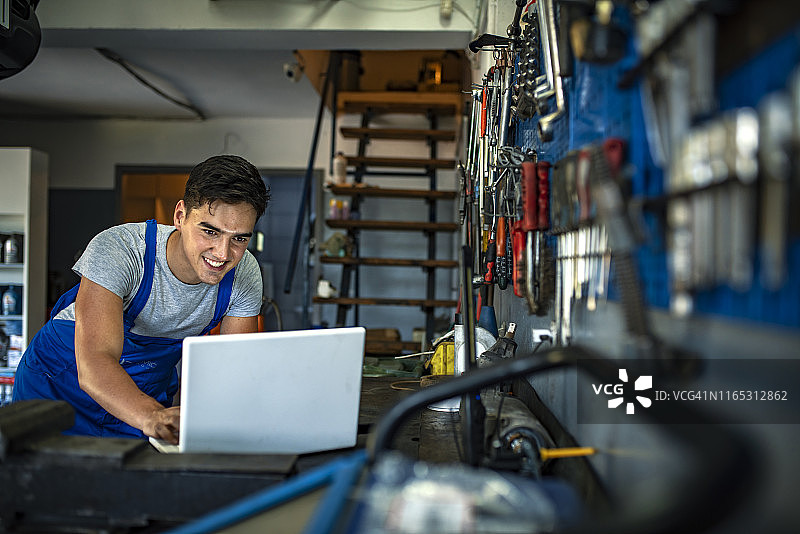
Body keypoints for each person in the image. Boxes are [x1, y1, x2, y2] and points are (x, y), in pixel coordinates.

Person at [12, 155, 270, 444]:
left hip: (144, 394)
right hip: (60, 387)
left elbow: (232, 368)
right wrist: (152, 417)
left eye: (239, 239)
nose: (223, 254)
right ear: (180, 216)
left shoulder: (244, 274)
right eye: (210, 231)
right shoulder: (121, 250)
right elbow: (96, 361)